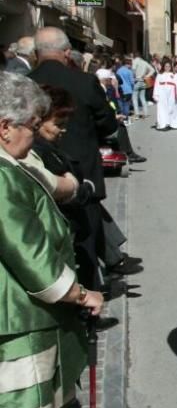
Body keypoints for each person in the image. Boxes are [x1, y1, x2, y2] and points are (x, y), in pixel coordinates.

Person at [0, 72, 104, 408]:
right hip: (16, 317)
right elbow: (29, 253)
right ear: (5, 127)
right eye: (30, 126)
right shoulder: (3, 175)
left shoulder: (13, 165)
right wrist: (80, 294)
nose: (35, 135)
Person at [29, 28, 119, 290]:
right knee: (84, 241)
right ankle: (88, 296)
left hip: (35, 170)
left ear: (36, 54)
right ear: (67, 52)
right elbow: (107, 123)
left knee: (44, 239)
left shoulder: (23, 82)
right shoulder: (83, 82)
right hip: (82, 173)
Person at [153, 60, 177, 130]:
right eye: (166, 66)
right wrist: (156, 95)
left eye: (169, 66)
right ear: (163, 67)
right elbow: (156, 85)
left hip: (171, 92)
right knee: (162, 108)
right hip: (162, 92)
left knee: (171, 107)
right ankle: (163, 124)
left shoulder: (173, 75)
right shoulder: (160, 75)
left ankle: (171, 123)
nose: (167, 68)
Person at [130, 53, 155, 119]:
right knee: (142, 97)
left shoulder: (135, 61)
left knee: (134, 98)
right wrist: (147, 76)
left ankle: (137, 114)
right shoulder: (144, 62)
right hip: (143, 81)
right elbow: (153, 70)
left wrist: (134, 77)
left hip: (137, 80)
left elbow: (133, 70)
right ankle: (146, 113)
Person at [116, 58, 136, 122]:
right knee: (127, 105)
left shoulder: (118, 71)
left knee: (121, 105)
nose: (131, 66)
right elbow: (132, 82)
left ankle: (121, 118)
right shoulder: (129, 71)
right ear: (128, 64)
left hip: (120, 90)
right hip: (128, 90)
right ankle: (126, 118)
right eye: (131, 65)